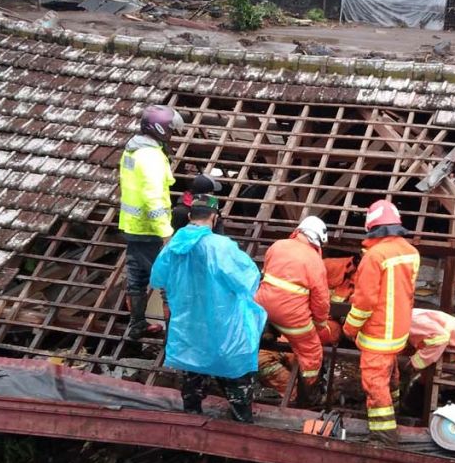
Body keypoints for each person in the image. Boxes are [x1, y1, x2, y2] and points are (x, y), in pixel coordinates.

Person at [149, 200, 266, 423]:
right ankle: (241, 420)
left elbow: (158, 278)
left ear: (190, 216)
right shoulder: (221, 246)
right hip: (222, 324)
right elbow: (247, 281)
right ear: (214, 217)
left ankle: (191, 418)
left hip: (189, 326)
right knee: (234, 373)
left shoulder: (172, 246)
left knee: (192, 373)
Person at [343, 200, 421, 445]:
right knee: (391, 375)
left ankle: (384, 436)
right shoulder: (411, 252)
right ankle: (394, 410)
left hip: (377, 334)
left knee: (375, 383)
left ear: (372, 226)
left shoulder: (375, 256)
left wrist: (350, 328)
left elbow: (364, 302)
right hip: (398, 331)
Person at [254, 216, 340, 406]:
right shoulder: (314, 261)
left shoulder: (277, 245)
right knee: (312, 352)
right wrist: (319, 324)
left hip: (262, 307)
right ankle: (309, 397)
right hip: (290, 315)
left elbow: (265, 275)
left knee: (260, 342)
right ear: (317, 241)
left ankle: (269, 332)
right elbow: (321, 300)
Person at [118, 104, 185, 340]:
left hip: (132, 226)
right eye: (171, 130)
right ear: (161, 129)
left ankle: (137, 325)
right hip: (150, 230)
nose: (173, 135)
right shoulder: (151, 157)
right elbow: (153, 196)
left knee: (136, 279)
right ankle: (173, 337)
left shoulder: (132, 150)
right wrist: (165, 233)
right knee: (168, 282)